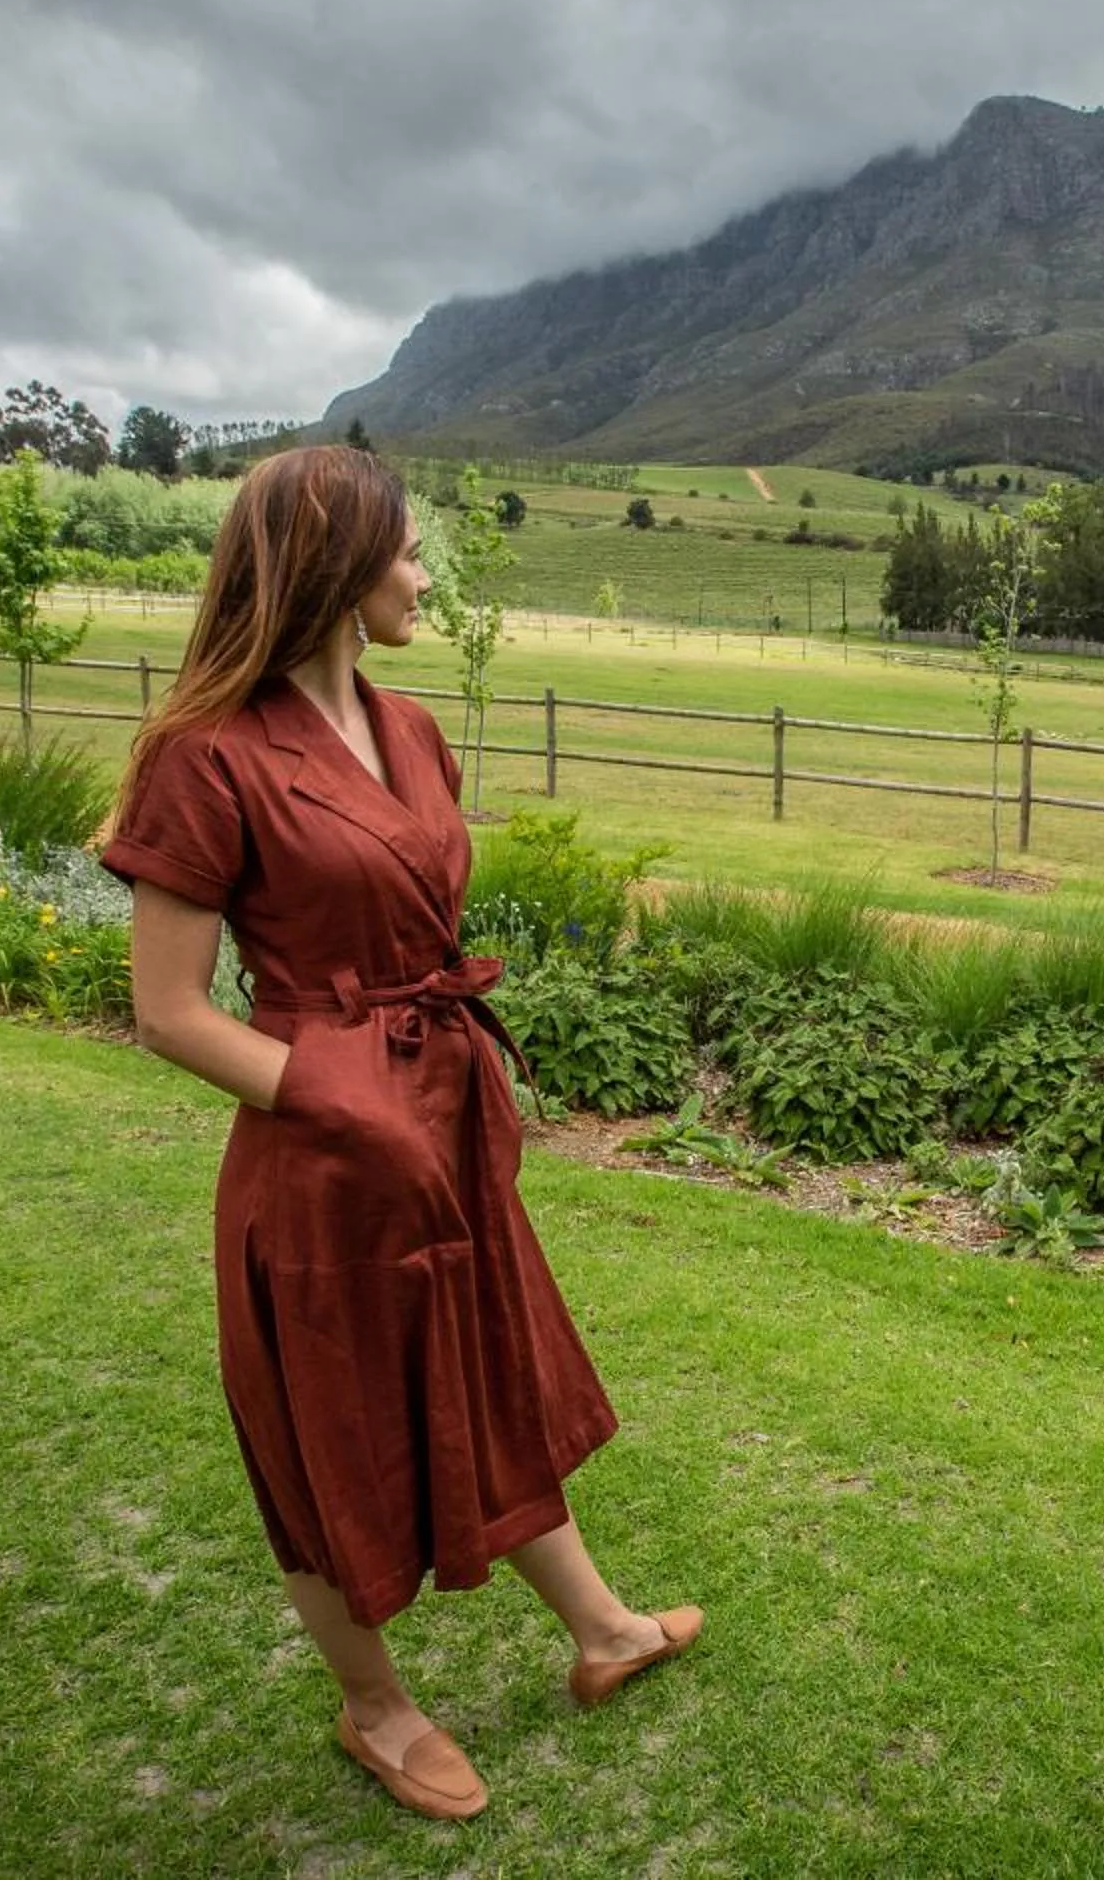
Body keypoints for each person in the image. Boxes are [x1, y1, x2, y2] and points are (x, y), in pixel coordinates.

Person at [99, 445, 699, 1821]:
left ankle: (602, 1631)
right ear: (333, 567)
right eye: (409, 553)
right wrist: (339, 1094)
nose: (425, 575)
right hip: (318, 1158)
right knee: (327, 1431)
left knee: (488, 1370)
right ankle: (377, 1708)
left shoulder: (412, 725)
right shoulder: (203, 755)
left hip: (443, 1116)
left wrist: (433, 1095)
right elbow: (170, 1012)